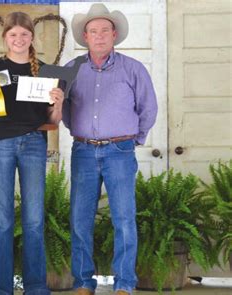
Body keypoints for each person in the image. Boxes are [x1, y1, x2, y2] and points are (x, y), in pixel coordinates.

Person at [62, 4, 158, 295]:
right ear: (85, 36)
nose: (99, 35)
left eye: (105, 30)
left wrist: (134, 140)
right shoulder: (71, 69)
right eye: (93, 31)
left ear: (114, 34)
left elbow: (148, 108)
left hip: (120, 151)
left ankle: (125, 284)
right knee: (80, 219)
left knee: (124, 219)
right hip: (83, 153)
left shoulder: (133, 68)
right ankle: (82, 283)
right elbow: (61, 106)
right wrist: (77, 131)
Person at [0, 11, 64, 295]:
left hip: (35, 144)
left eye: (24, 34)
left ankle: (36, 286)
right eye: (13, 34)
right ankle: (1, 287)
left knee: (34, 218)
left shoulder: (48, 71)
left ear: (32, 38)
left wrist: (59, 103)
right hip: (0, 145)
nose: (19, 39)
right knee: (2, 219)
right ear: (5, 38)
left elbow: (54, 119)